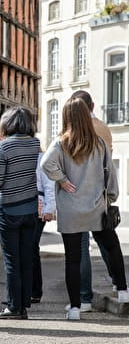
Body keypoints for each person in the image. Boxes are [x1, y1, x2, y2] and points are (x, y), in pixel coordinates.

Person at [41, 97, 129, 320]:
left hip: (71, 211)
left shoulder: (61, 143)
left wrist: (61, 179)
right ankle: (122, 291)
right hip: (96, 208)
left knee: (73, 259)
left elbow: (45, 164)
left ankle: (75, 308)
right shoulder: (99, 144)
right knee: (111, 247)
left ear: (66, 117)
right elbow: (111, 174)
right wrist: (110, 197)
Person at [0, 106, 40, 320]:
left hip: (8, 208)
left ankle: (13, 306)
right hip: (30, 208)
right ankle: (24, 304)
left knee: (11, 259)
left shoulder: (4, 147)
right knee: (26, 257)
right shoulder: (35, 144)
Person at [68, 90, 115, 313]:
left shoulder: (72, 132)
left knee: (81, 249)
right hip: (100, 198)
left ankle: (84, 298)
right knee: (107, 243)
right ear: (93, 105)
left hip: (77, 198)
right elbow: (108, 169)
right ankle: (118, 282)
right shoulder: (104, 129)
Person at [31, 151, 55, 304]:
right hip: (23, 203)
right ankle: (20, 291)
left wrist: (49, 209)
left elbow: (49, 184)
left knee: (32, 247)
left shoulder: (41, 158)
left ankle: (35, 291)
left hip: (38, 204)